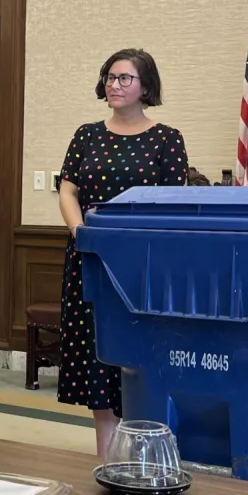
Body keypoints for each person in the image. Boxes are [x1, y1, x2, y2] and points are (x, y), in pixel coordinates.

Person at [57, 48, 189, 457]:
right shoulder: (86, 134)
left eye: (125, 78)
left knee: (139, 358)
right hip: (89, 259)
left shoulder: (167, 139)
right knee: (95, 357)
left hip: (141, 267)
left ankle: (144, 457)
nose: (115, 85)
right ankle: (105, 458)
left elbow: (174, 202)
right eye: (111, 77)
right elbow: (68, 189)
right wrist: (82, 234)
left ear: (145, 85)